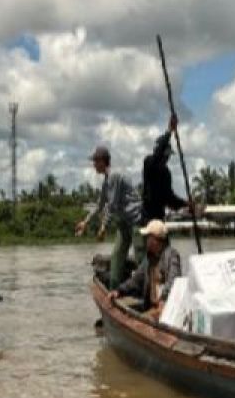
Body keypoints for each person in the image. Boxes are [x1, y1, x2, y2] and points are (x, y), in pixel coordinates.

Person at [75, 144, 142, 289]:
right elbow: (100, 205)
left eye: (95, 161)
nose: (93, 165)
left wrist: (104, 226)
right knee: (116, 258)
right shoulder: (106, 181)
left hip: (137, 221)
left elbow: (112, 205)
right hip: (124, 225)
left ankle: (149, 297)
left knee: (141, 259)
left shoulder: (114, 176)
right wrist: (85, 222)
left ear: (102, 161)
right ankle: (113, 291)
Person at [107, 219, 181, 320]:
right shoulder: (148, 259)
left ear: (155, 239)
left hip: (166, 309)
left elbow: (174, 280)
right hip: (152, 307)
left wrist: (164, 298)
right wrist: (119, 291)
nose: (145, 240)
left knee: (135, 322)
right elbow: (135, 280)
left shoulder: (172, 255)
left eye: (147, 237)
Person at [141, 114, 192, 224]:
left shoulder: (166, 173)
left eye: (168, 156)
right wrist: (169, 131)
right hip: (147, 217)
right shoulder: (149, 163)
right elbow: (157, 156)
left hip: (160, 217)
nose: (166, 159)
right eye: (165, 156)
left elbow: (169, 198)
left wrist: (186, 204)